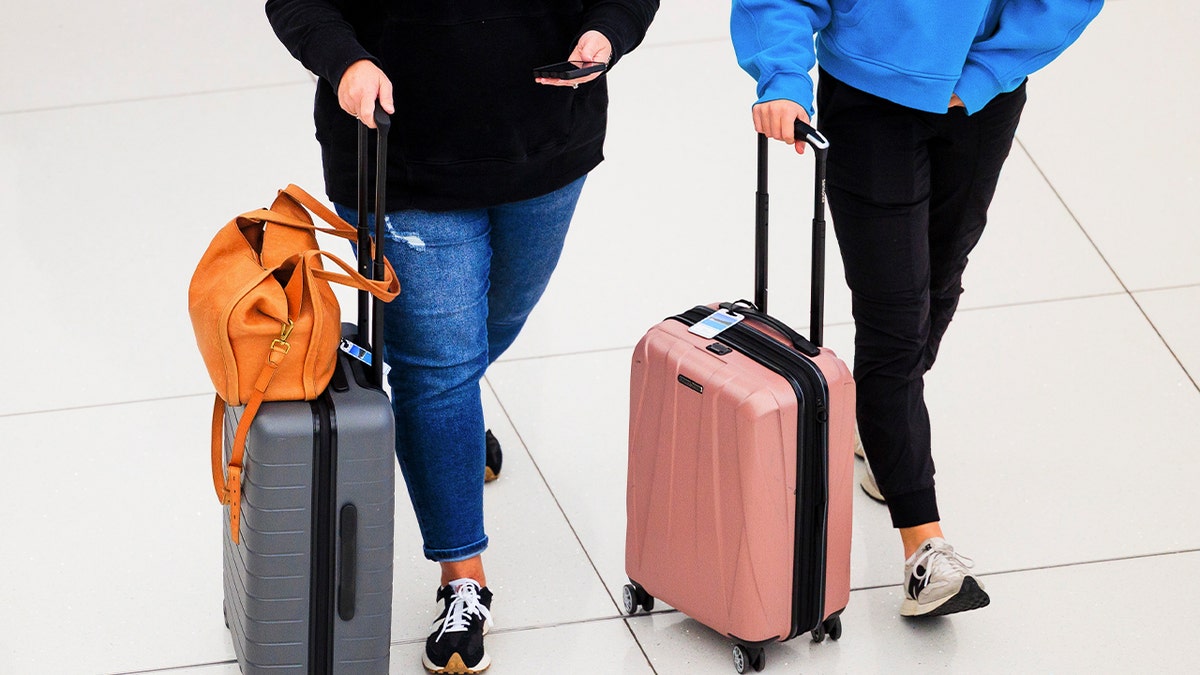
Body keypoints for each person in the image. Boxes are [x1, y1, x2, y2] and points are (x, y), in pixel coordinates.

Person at [265, 1, 658, 671]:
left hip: (545, 143)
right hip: (403, 153)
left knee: (490, 324)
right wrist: (345, 60)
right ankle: (462, 579)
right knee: (437, 368)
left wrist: (607, 31)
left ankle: (446, 424)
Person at [732, 0, 1102, 618]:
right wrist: (784, 77)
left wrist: (987, 74)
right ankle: (923, 549)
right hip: (870, 100)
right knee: (896, 320)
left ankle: (880, 434)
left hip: (981, 101)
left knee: (939, 281)